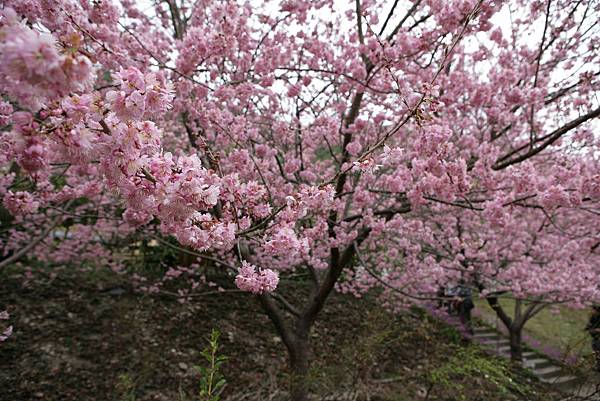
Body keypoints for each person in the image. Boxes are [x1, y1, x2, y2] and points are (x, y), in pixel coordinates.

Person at [586, 306, 600, 372]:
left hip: (598, 337)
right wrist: (588, 328)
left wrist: (596, 330)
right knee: (596, 352)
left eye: (593, 310)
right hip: (594, 337)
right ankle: (598, 366)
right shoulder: (593, 317)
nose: (592, 311)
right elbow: (589, 324)